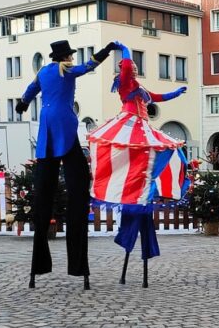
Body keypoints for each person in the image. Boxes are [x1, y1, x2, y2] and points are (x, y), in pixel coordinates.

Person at [16, 39, 122, 289]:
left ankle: (38, 267)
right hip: (63, 122)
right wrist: (106, 51)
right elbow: (88, 65)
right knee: (78, 179)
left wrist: (23, 103)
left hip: (46, 125)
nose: (72, 59)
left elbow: (30, 90)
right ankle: (78, 266)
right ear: (65, 56)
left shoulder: (43, 71)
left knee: (44, 186)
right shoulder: (66, 70)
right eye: (70, 56)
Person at [87, 44, 189, 274]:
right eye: (130, 65)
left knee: (170, 151)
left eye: (133, 65)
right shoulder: (124, 83)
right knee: (130, 158)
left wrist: (176, 93)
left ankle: (146, 192)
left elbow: (156, 98)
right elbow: (124, 67)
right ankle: (131, 192)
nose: (132, 67)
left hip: (142, 125)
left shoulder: (138, 86)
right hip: (129, 121)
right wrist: (124, 51)